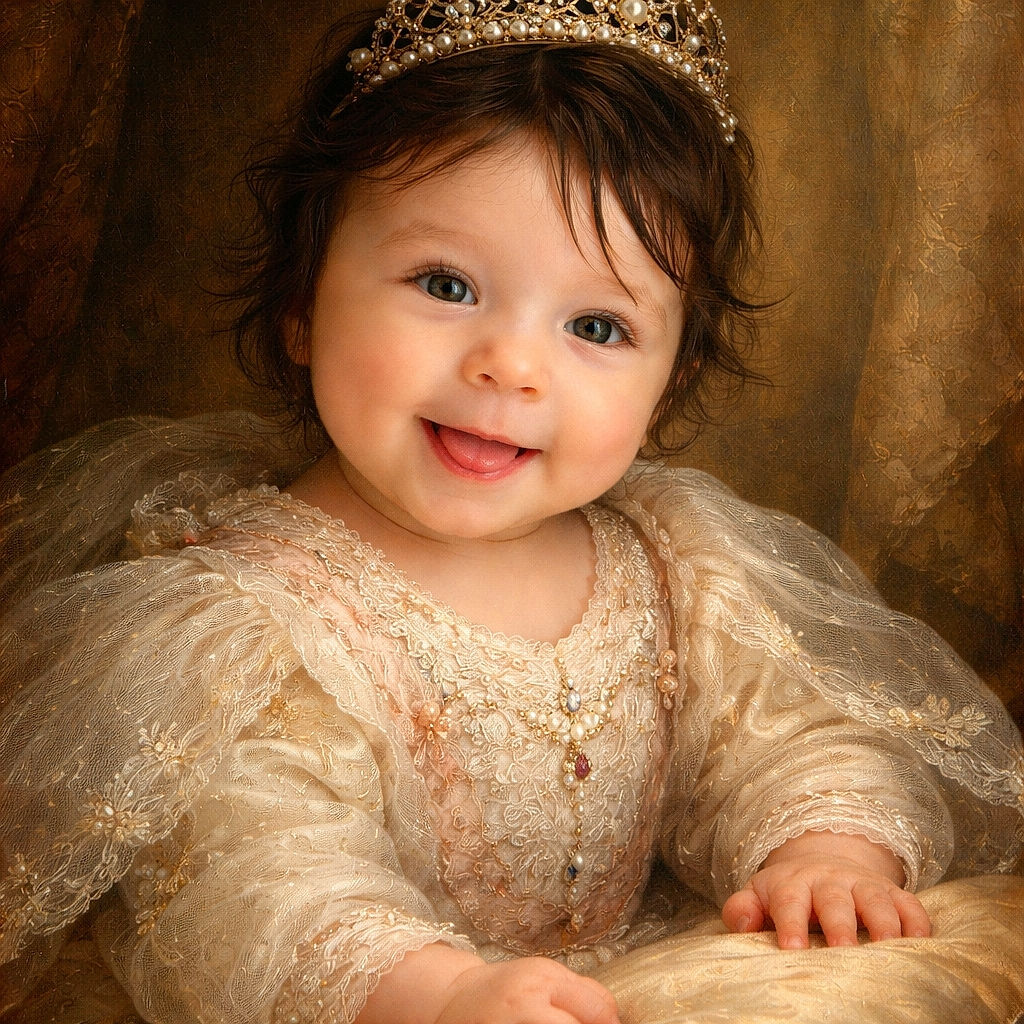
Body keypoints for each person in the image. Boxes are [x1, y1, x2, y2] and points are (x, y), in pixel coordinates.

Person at [1, 1, 1022, 1021]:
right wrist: (439, 994)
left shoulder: (671, 558)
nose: (511, 365)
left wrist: (821, 846)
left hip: (622, 975)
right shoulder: (258, 621)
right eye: (445, 283)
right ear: (302, 303)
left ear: (669, 383)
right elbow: (256, 876)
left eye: (596, 324)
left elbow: (788, 731)